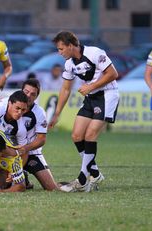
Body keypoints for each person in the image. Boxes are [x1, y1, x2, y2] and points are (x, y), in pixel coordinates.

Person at [49, 31, 119, 192]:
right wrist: (57, 113)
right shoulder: (69, 64)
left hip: (107, 95)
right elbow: (66, 89)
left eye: (61, 49)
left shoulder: (94, 53)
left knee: (90, 135)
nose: (59, 53)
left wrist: (90, 87)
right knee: (76, 135)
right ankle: (95, 173)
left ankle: (82, 180)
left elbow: (113, 74)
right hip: (91, 98)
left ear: (71, 45)